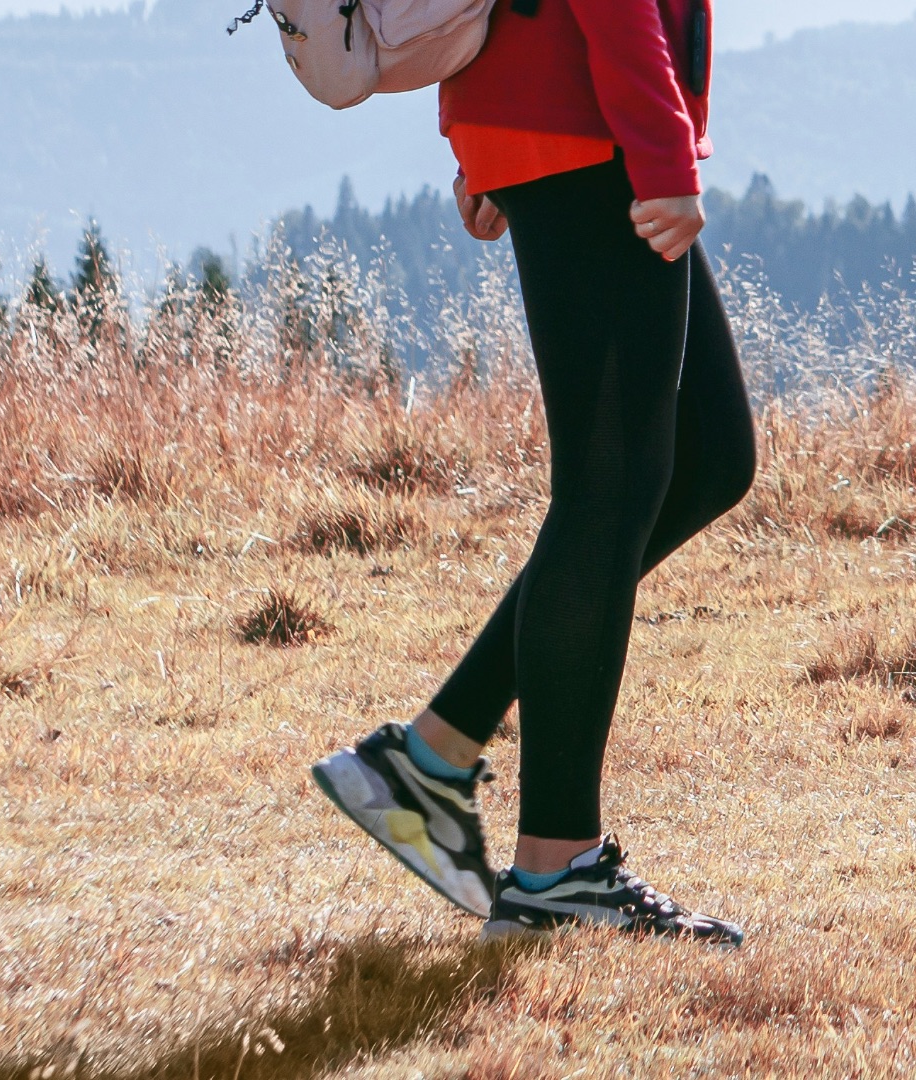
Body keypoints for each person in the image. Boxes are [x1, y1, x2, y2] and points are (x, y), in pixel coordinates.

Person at [311, 0, 755, 946]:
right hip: (588, 122)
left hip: (555, 114)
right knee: (608, 493)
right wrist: (663, 154)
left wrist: (476, 132)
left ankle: (429, 758)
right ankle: (556, 867)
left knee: (710, 458)